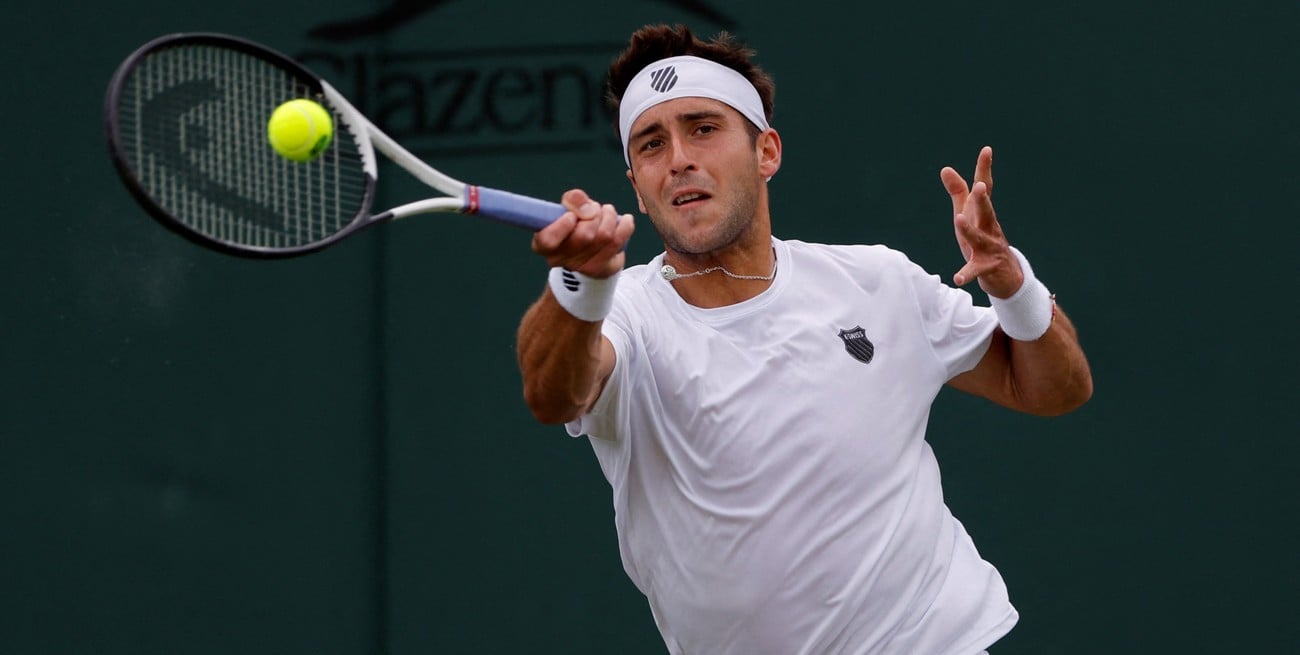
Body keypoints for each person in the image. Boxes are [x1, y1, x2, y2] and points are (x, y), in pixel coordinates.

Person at [515, 23, 1092, 655]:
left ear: (766, 152)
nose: (678, 158)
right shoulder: (620, 314)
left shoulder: (877, 280)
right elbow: (554, 394)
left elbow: (1053, 388)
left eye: (703, 128)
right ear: (638, 189)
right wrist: (580, 286)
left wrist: (1013, 284)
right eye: (652, 144)